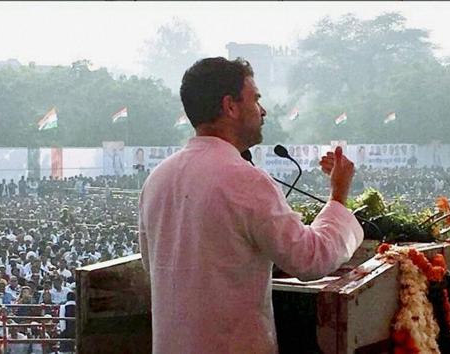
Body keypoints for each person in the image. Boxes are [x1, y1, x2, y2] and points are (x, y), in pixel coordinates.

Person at [138, 57, 364, 353]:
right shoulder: (245, 180)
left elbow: (154, 265)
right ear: (230, 106)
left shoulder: (158, 178)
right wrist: (338, 195)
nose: (263, 110)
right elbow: (309, 259)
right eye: (255, 99)